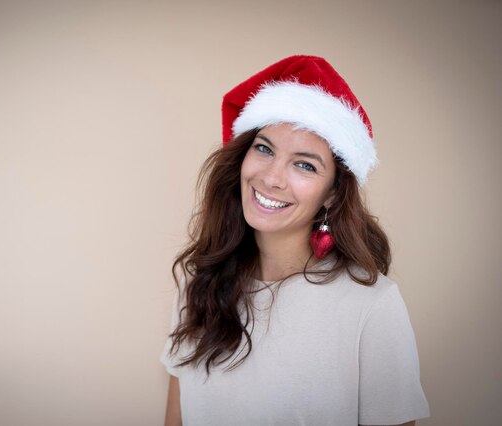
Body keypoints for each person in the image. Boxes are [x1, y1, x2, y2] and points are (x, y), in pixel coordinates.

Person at [160, 55, 430, 426]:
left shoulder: (372, 306)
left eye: (305, 165)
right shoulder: (198, 283)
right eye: (265, 148)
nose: (272, 178)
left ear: (332, 194)